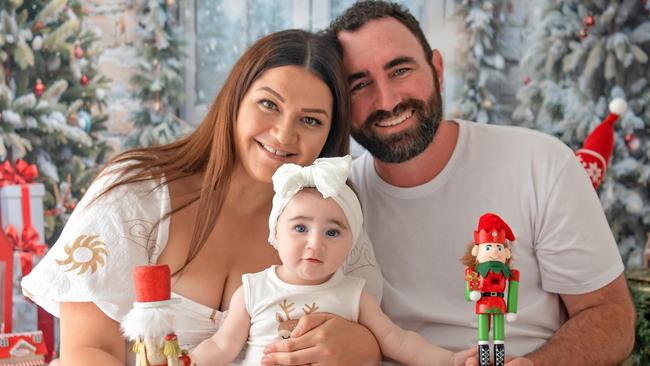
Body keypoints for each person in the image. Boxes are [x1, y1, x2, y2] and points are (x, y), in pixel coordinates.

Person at [292, 1, 632, 365]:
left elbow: (610, 316)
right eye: (360, 85)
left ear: (437, 69)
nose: (387, 100)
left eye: (401, 70)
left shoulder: (540, 162)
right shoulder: (334, 203)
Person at [21, 29, 383, 365]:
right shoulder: (135, 194)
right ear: (234, 99)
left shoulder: (334, 222)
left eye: (311, 120)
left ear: (329, 134)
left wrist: (364, 346)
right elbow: (88, 350)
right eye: (269, 104)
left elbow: (371, 332)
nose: (284, 134)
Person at [191, 155, 475, 366]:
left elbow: (399, 341)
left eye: (332, 232)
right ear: (275, 232)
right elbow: (221, 346)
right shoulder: (253, 290)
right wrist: (183, 361)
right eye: (300, 228)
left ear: (351, 244)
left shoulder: (355, 295)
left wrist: (450, 361)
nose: (315, 243)